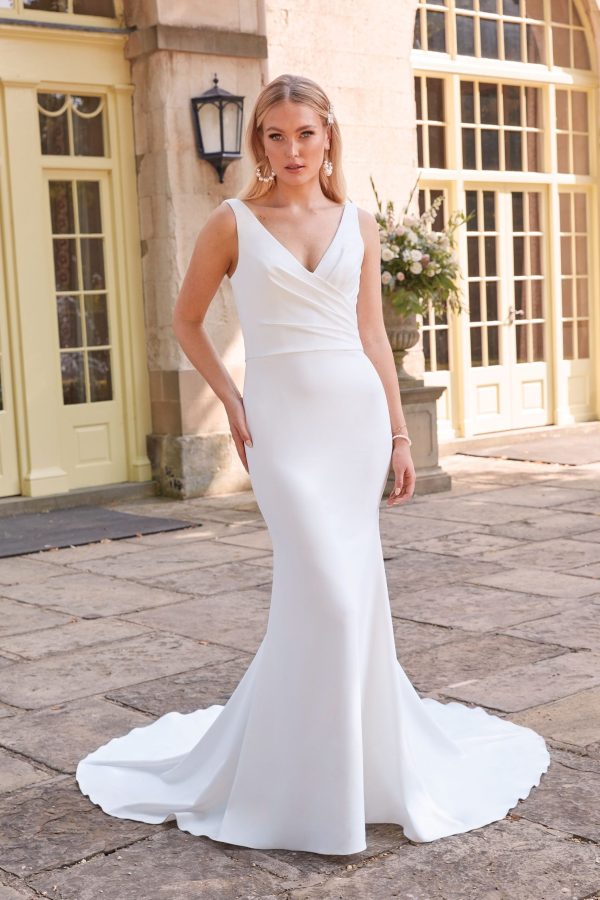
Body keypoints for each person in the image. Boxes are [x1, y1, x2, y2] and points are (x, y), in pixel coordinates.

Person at [75, 73, 550, 855]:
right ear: (258, 141)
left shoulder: (358, 221)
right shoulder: (232, 222)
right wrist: (230, 399)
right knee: (327, 597)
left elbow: (373, 338)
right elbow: (186, 321)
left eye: (305, 133)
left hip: (356, 422)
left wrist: (399, 436)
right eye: (274, 135)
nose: (291, 149)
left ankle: (354, 771)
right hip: (284, 433)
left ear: (329, 136)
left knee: (343, 602)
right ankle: (300, 783)